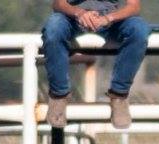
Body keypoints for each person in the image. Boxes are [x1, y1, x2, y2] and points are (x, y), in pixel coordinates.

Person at [41, 0, 151, 129]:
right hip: (71, 18)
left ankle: (119, 95)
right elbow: (58, 4)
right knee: (53, 28)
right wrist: (79, 13)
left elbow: (134, 6)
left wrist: (108, 18)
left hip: (111, 19)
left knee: (139, 30)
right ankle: (58, 96)